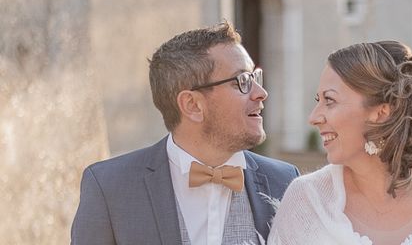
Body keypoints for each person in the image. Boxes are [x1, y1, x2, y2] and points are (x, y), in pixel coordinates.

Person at [71, 21, 299, 245]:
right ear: (192, 105)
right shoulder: (110, 186)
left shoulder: (286, 182)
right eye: (242, 81)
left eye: (254, 77)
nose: (261, 93)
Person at [268, 41, 412, 245]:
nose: (314, 117)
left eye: (329, 100)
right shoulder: (306, 202)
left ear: (381, 113)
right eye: (318, 100)